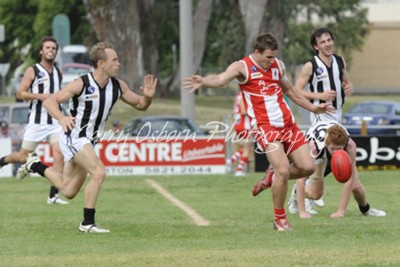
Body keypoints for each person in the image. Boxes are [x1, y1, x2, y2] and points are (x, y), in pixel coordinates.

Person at [183, 33, 333, 231]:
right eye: (268, 57)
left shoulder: (278, 66)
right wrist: (203, 81)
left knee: (308, 167)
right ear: (257, 52)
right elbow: (220, 79)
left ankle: (270, 178)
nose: (272, 61)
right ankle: (280, 219)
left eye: (274, 56)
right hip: (265, 127)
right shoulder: (242, 67)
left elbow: (289, 91)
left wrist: (312, 108)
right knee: (283, 170)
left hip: (288, 125)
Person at [21, 41, 157, 233]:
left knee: (68, 191)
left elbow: (141, 105)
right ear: (101, 63)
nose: (119, 63)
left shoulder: (118, 86)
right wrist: (61, 117)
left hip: (90, 141)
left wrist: (148, 97)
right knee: (99, 172)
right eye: (114, 60)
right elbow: (51, 101)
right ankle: (87, 223)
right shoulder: (81, 83)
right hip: (74, 137)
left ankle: (35, 164)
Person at [289, 27, 385, 218]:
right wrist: (319, 96)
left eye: (329, 40)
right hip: (320, 119)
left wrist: (349, 88)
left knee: (355, 183)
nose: (328, 44)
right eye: (323, 42)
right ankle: (299, 196)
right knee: (319, 174)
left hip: (338, 119)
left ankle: (365, 210)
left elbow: (347, 82)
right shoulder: (310, 66)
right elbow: (296, 90)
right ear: (316, 46)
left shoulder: (340, 61)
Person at [0, 37, 68, 205]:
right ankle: (2, 161)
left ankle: (53, 195)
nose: (51, 50)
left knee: (59, 155)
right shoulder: (33, 70)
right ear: (41, 51)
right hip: (37, 123)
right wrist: (40, 96)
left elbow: (57, 96)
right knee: (22, 158)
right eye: (47, 47)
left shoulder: (58, 72)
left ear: (56, 52)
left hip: (54, 122)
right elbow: (20, 93)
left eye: (53, 48)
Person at [288, 120, 386, 218]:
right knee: (316, 195)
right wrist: (302, 212)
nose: (335, 153)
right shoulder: (313, 148)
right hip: (319, 154)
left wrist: (340, 211)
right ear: (327, 144)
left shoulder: (350, 146)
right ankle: (296, 193)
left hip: (328, 143)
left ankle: (366, 210)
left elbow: (349, 179)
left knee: (356, 186)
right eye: (332, 149)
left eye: (339, 148)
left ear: (344, 145)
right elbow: (300, 179)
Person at [226, 92, 254, 176]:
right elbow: (244, 111)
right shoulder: (244, 95)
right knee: (247, 148)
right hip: (245, 124)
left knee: (243, 147)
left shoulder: (238, 95)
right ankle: (239, 170)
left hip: (238, 124)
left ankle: (231, 161)